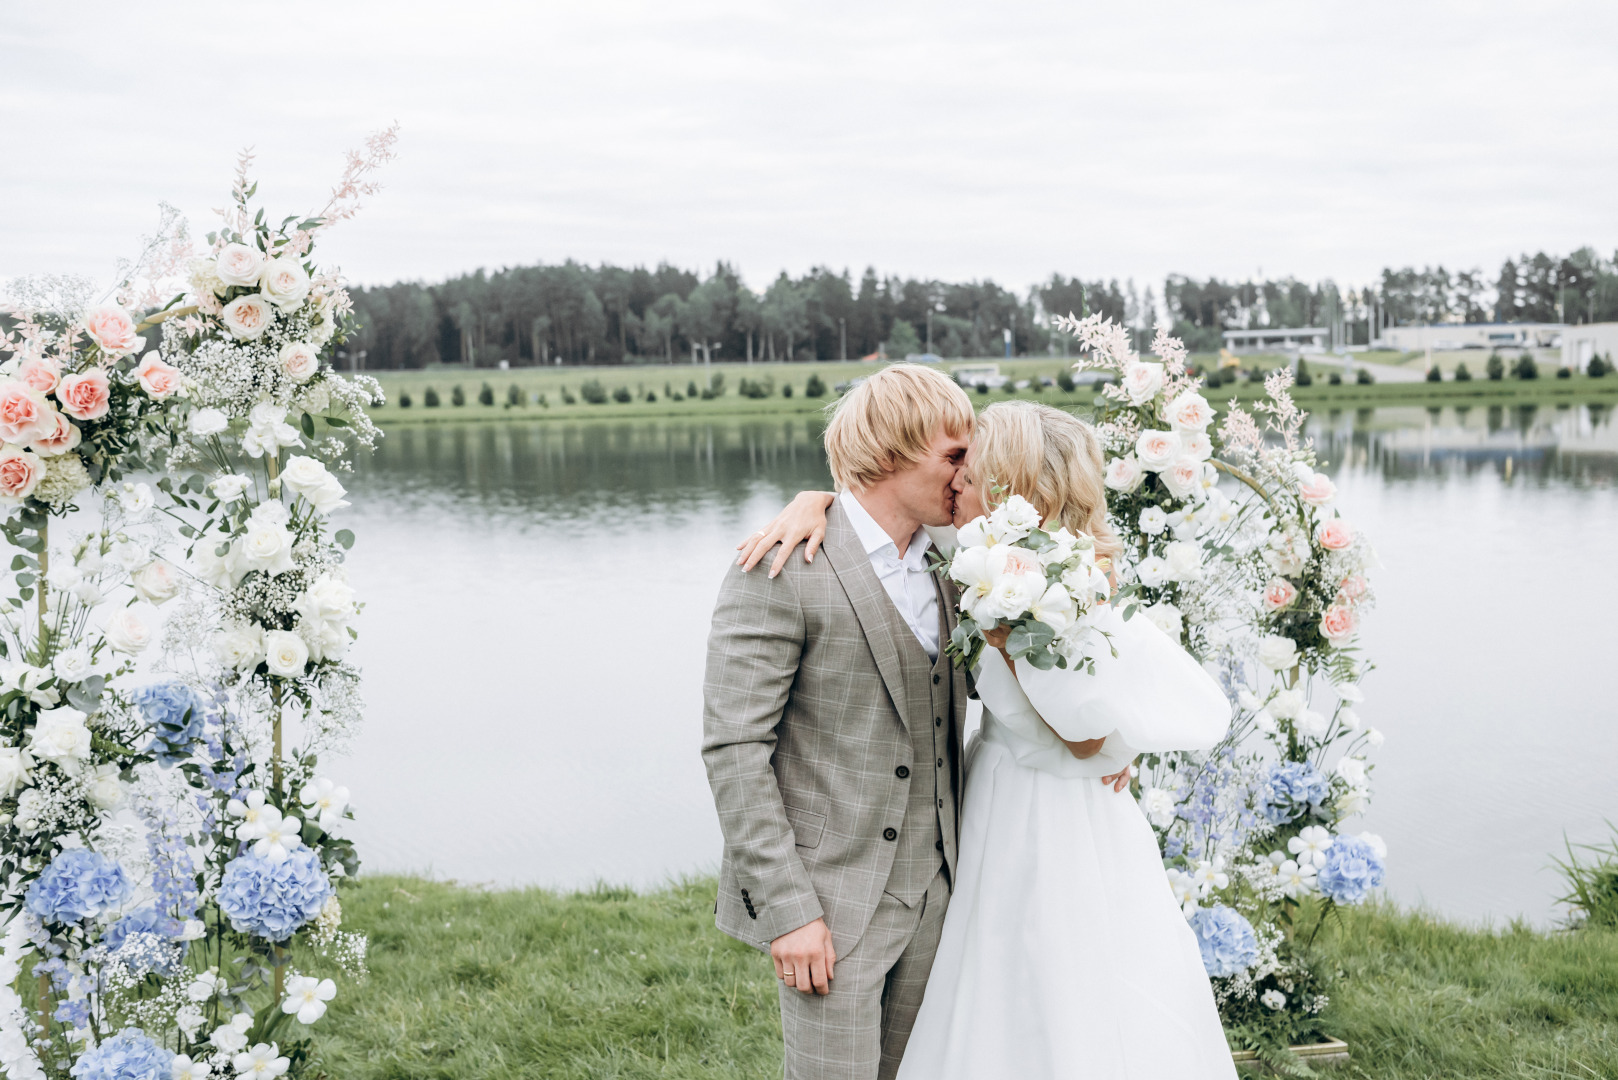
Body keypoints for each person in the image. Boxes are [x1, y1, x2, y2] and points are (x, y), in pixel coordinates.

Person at [737, 399, 1238, 1079]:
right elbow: (878, 506)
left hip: (1052, 810)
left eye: (966, 470)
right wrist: (813, 500)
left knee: (1057, 988)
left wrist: (1106, 729)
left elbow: (1087, 739)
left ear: (1004, 482)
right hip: (991, 793)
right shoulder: (973, 551)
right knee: (985, 983)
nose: (954, 484)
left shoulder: (1062, 580)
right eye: (955, 466)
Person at [701, 364, 974, 1080]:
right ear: (890, 453)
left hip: (939, 893)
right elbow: (734, 748)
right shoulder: (782, 567)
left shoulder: (955, 565)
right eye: (953, 455)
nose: (967, 472)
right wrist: (787, 910)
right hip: (831, 903)